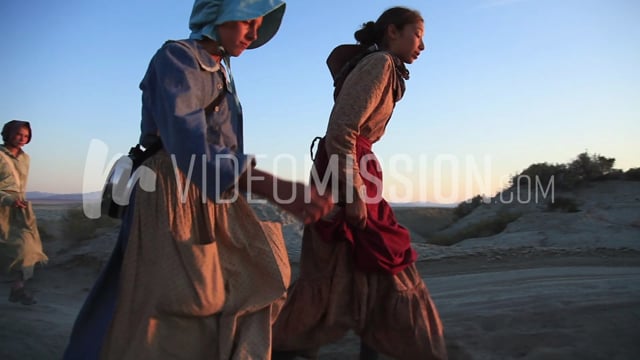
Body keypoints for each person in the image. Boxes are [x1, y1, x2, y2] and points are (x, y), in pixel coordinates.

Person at [63, 0, 331, 359]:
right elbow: (188, 146)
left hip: (211, 193)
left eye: (259, 24)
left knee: (246, 284)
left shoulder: (221, 70)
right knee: (177, 306)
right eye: (245, 21)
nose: (253, 33)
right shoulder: (178, 57)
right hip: (172, 192)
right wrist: (273, 186)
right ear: (218, 14)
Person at [272, 7, 448, 360]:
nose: (423, 46)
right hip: (346, 169)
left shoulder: (384, 65)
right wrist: (353, 192)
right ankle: (282, 348)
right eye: (417, 35)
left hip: (349, 166)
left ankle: (302, 347)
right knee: (382, 259)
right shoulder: (380, 63)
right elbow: (342, 129)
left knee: (355, 264)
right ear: (393, 32)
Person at [0, 120, 48, 306]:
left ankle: (17, 288)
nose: (22, 139)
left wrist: (18, 201)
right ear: (8, 133)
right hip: (3, 206)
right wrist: (7, 199)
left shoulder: (25, 158)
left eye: (26, 136)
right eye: (19, 134)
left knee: (30, 248)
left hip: (19, 208)